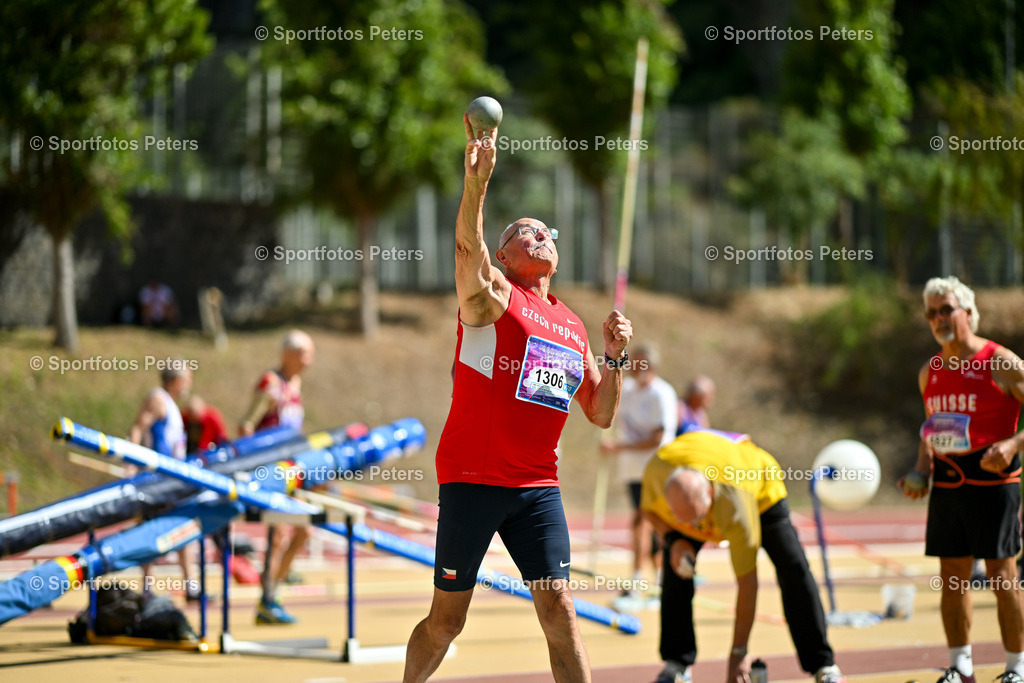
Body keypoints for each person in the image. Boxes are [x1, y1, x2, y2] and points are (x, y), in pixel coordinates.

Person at [402, 113, 632, 683]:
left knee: (560, 610)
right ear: (503, 256)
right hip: (473, 481)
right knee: (446, 623)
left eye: (547, 230)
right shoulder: (496, 298)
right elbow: (464, 248)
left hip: (536, 488)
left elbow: (600, 414)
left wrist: (615, 357)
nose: (543, 234)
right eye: (526, 231)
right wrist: (476, 183)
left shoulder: (573, 325)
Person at [641, 428, 846, 683]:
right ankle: (677, 662)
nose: (697, 530)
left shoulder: (735, 507)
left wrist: (739, 652)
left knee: (793, 567)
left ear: (710, 495)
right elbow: (648, 511)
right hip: (699, 472)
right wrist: (674, 539)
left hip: (759, 489)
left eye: (698, 520)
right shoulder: (655, 471)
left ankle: (822, 664)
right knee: (677, 566)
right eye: (685, 521)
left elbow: (747, 584)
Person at [898, 276, 1024, 683]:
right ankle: (960, 665)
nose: (938, 318)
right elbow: (930, 427)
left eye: (946, 309)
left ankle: (1017, 669)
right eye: (931, 313)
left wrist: (1012, 445)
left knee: (1002, 578)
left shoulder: (999, 361)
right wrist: (920, 469)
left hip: (993, 479)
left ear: (968, 312)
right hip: (948, 483)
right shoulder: (928, 371)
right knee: (952, 579)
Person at [239, 329, 315, 625]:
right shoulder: (271, 384)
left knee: (304, 531)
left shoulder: (295, 384)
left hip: (292, 470)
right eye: (306, 354)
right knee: (280, 532)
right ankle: (268, 599)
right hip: (270, 472)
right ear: (289, 354)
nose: (310, 361)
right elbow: (247, 426)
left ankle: (271, 592)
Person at [599, 342, 678, 597]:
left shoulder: (661, 393)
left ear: (651, 366)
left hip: (655, 469)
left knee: (645, 522)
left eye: (640, 363)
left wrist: (619, 447)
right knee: (645, 524)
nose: (634, 368)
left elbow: (657, 437)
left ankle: (640, 582)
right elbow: (607, 405)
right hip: (633, 471)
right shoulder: (628, 389)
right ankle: (654, 580)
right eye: (632, 362)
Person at [129, 364, 198, 600]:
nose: (190, 384)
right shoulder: (158, 400)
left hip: (173, 478)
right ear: (177, 380)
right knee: (152, 529)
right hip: (156, 479)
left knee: (182, 527)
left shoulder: (170, 403)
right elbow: (137, 429)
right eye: (188, 379)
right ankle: (148, 587)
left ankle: (190, 585)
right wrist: (131, 467)